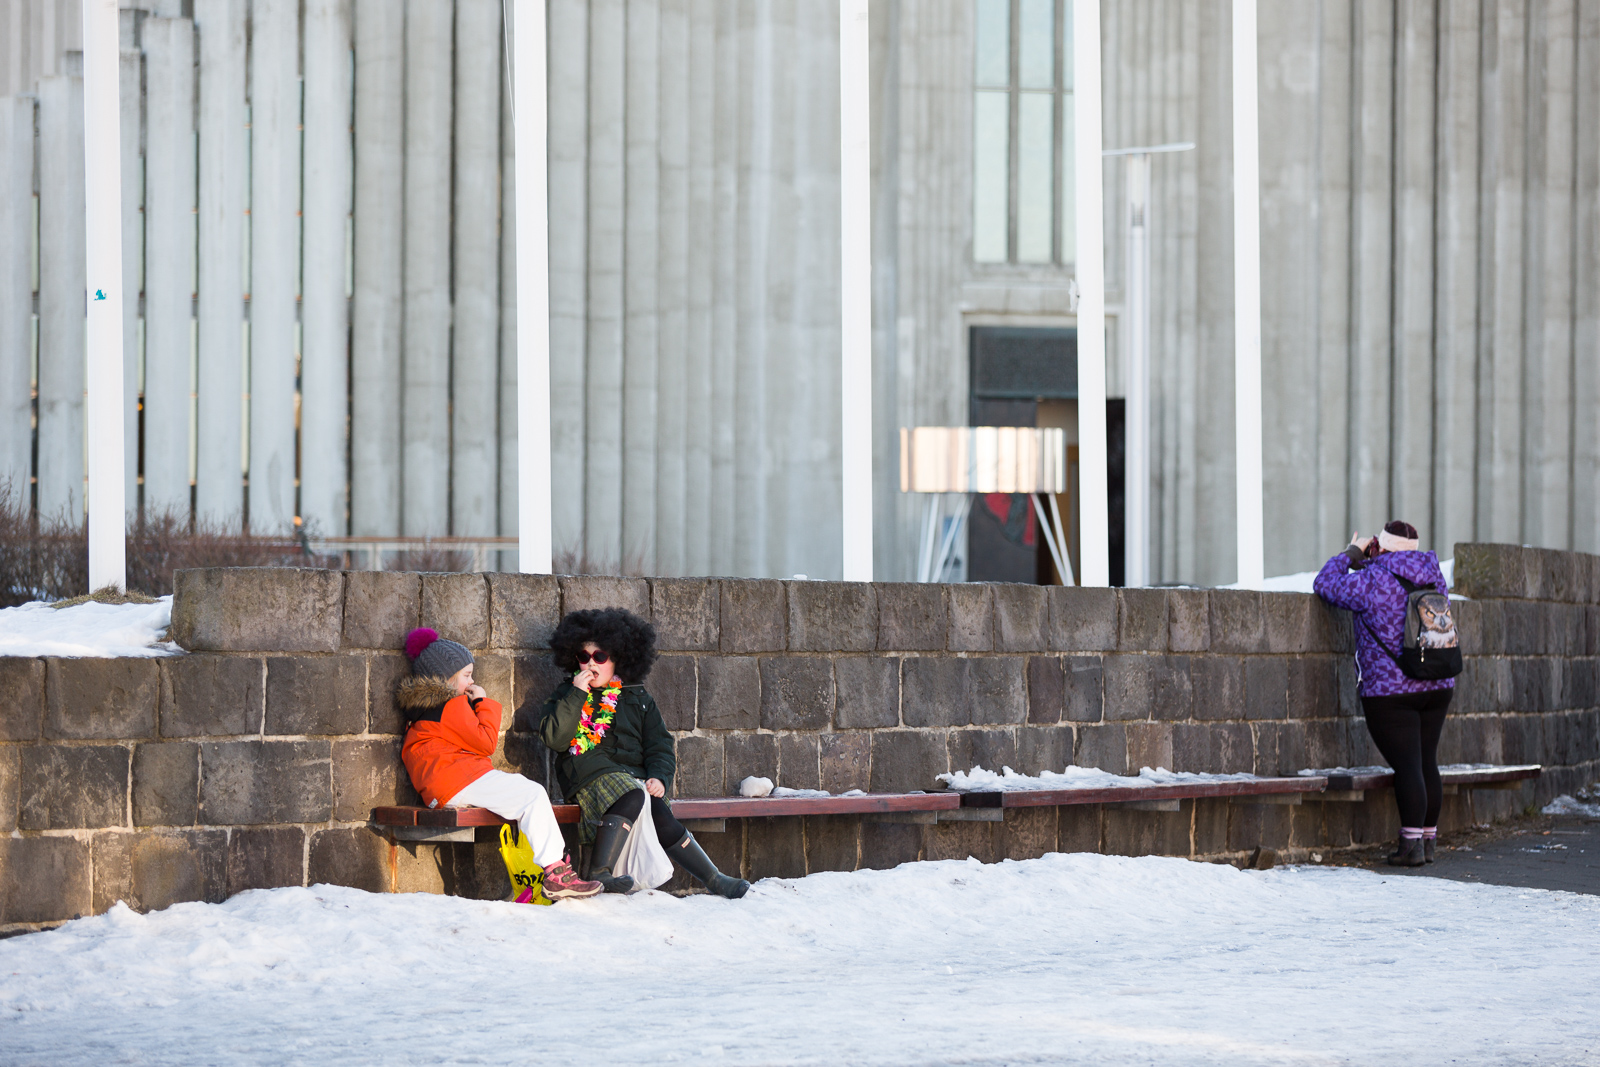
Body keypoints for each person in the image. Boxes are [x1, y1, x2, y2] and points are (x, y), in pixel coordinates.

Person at [539, 607, 750, 899]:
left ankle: (713, 878)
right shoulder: (567, 694)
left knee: (658, 808)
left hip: (632, 780)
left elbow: (659, 745)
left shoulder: (638, 698)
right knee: (634, 794)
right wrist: (577, 694)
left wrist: (659, 777)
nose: (590, 663)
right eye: (583, 656)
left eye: (599, 657)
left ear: (618, 660)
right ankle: (600, 872)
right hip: (588, 775)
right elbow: (556, 739)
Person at [397, 627, 602, 900]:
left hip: (442, 785)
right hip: (456, 779)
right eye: (467, 675)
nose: (472, 681)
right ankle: (555, 873)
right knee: (532, 794)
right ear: (446, 678)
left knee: (522, 793)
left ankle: (553, 870)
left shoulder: (423, 710)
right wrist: (481, 701)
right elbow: (485, 742)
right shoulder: (451, 705)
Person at [1313, 520, 1455, 867]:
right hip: (1437, 683)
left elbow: (1325, 584)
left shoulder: (1373, 579)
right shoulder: (1433, 575)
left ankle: (1410, 848)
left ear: (1381, 546)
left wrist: (1352, 553)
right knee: (1425, 762)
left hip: (1390, 691)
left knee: (1408, 766)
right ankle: (1427, 841)